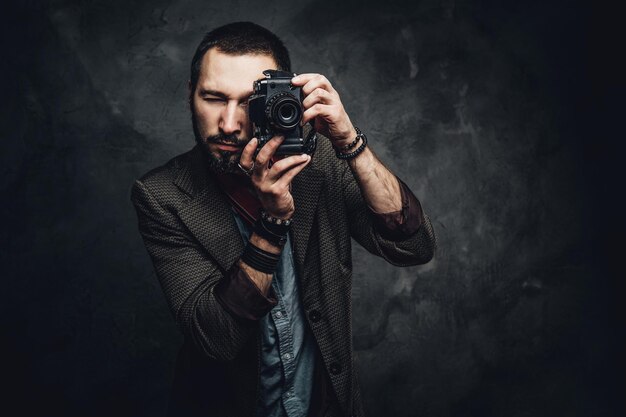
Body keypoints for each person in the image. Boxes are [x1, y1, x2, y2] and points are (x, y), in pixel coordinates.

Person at [131, 21, 436, 417]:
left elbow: (414, 246)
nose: (228, 123)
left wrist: (349, 142)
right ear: (191, 95)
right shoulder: (163, 196)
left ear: (280, 98)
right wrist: (272, 222)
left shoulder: (320, 162)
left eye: (248, 102)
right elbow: (217, 339)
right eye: (213, 98)